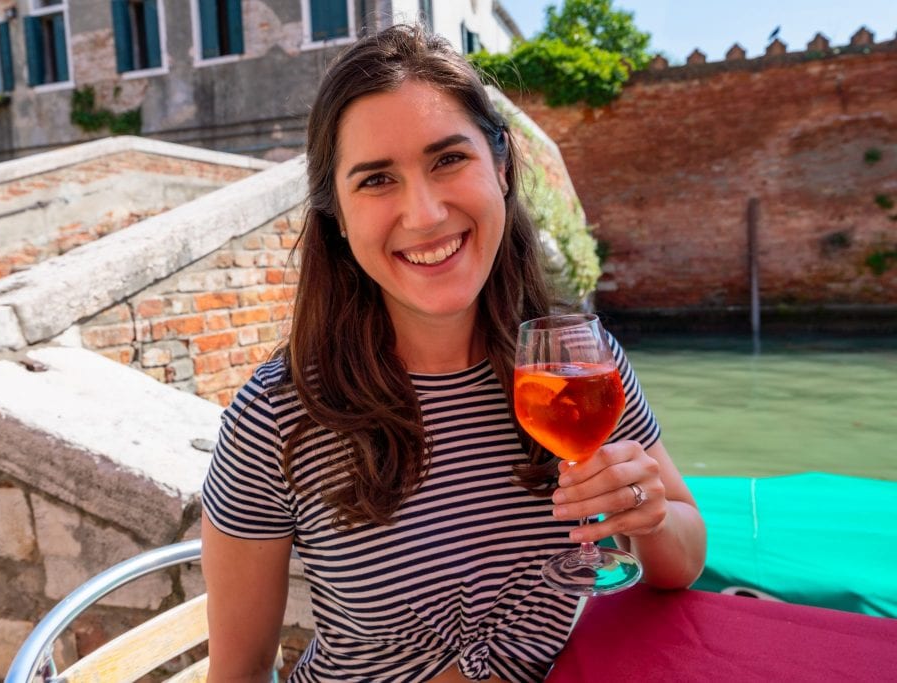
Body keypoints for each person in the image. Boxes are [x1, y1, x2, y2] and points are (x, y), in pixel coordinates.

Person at [200, 24, 706, 683]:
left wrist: (646, 512)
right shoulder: (275, 416)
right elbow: (237, 670)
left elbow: (685, 557)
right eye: (377, 179)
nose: (426, 212)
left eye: (448, 160)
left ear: (500, 165)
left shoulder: (575, 365)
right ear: (339, 219)